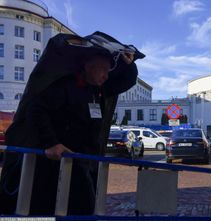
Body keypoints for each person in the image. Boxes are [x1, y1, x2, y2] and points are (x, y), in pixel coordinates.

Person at [0, 48, 135, 215]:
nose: (106, 75)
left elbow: (126, 82)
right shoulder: (66, 85)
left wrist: (129, 64)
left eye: (108, 70)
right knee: (51, 208)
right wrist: (52, 143)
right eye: (103, 69)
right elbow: (36, 109)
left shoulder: (97, 90)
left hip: (81, 161)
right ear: (88, 66)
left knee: (82, 208)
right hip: (56, 162)